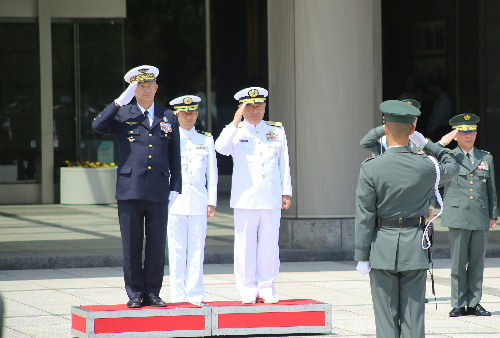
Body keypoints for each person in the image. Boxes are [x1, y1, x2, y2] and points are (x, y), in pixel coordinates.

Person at [354, 100, 459, 338]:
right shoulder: (426, 166)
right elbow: (454, 165)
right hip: (415, 246)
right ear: (413, 130)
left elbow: (365, 215)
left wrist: (361, 255)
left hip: (381, 248)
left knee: (385, 320)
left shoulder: (371, 168)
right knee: (413, 319)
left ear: (386, 128)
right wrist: (429, 144)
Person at [92, 65, 182, 308]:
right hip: (130, 188)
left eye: (149, 86)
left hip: (159, 188)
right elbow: (98, 126)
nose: (145, 90)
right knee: (131, 245)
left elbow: (175, 155)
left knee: (155, 244)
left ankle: (153, 292)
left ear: (156, 88)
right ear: (133, 89)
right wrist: (120, 101)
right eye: (140, 87)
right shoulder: (123, 114)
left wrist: (176, 186)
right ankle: (134, 293)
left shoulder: (168, 116)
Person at [215, 86, 292, 304]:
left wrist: (286, 192)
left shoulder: (276, 131)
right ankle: (247, 287)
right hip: (245, 198)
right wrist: (235, 121)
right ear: (242, 109)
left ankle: (266, 286)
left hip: (271, 196)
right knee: (245, 245)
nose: (255, 111)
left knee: (269, 244)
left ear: (265, 107)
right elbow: (220, 148)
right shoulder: (235, 131)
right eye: (249, 107)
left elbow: (283, 163)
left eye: (258, 106)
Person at [436, 114, 497, 317]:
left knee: (477, 262)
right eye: (464, 132)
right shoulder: (449, 156)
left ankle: (474, 303)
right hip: (458, 215)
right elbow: (429, 162)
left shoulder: (485, 157)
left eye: (472, 131)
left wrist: (493, 214)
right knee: (458, 262)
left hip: (480, 215)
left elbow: (491, 189)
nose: (469, 135)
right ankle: (458, 303)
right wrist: (441, 143)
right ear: (456, 135)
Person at [167, 95, 218, 303]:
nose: (188, 117)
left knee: (197, 249)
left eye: (192, 113)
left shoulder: (205, 139)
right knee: (176, 250)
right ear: (176, 115)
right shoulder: (169, 139)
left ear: (197, 114)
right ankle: (178, 295)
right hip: (173, 202)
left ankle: (195, 294)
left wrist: (211, 202)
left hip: (198, 201)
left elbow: (212, 174)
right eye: (184, 113)